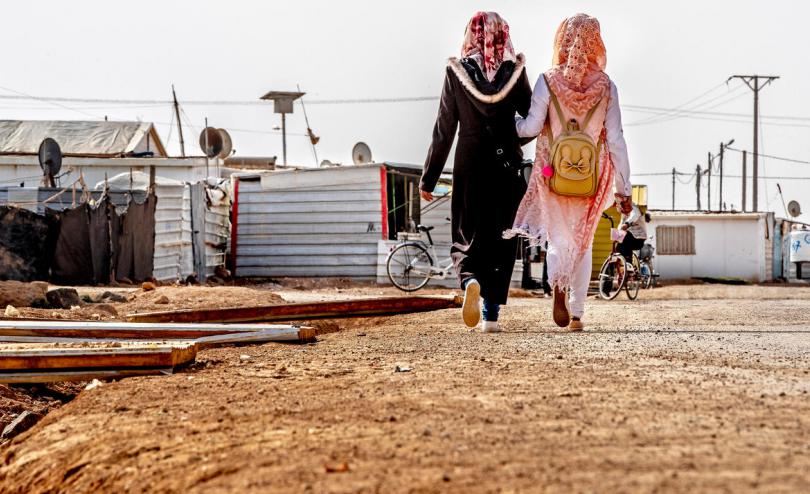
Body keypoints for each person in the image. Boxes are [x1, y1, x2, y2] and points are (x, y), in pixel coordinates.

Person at [504, 13, 633, 331]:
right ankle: (576, 313)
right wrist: (624, 189)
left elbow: (531, 126)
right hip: (591, 176)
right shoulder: (606, 87)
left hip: (552, 172)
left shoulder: (548, 80)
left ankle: (557, 284)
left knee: (558, 239)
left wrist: (509, 124)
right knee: (584, 240)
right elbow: (615, 140)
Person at [420, 11, 532, 333]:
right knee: (500, 239)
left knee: (467, 235)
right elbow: (533, 119)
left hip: (470, 165)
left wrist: (429, 177)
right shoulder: (515, 72)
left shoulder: (456, 73)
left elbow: (444, 129)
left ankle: (469, 280)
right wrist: (511, 137)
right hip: (505, 165)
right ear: (503, 35)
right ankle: (491, 317)